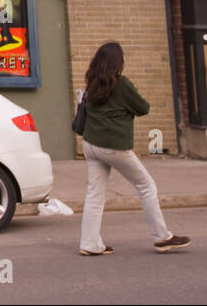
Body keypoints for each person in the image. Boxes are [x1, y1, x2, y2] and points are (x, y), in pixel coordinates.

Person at [78, 42, 189, 256]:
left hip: (91, 145)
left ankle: (90, 243)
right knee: (146, 185)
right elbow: (144, 108)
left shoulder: (92, 82)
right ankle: (162, 237)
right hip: (112, 146)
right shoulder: (122, 84)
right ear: (117, 63)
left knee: (95, 194)